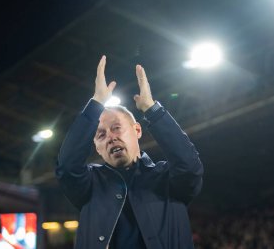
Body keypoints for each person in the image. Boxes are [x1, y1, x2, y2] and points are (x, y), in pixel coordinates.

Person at [56, 55, 204, 249]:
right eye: (100, 135)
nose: (110, 137)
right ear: (97, 148)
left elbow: (190, 166)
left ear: (137, 130)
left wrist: (153, 110)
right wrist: (96, 104)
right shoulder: (89, 185)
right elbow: (67, 167)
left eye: (116, 128)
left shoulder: (166, 179)